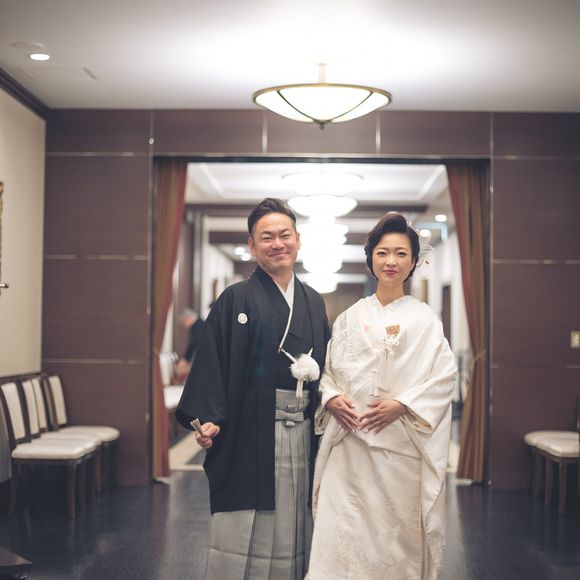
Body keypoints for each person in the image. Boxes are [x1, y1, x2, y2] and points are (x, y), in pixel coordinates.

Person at [176, 198, 330, 580]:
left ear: (298, 239)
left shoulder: (313, 302)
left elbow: (330, 369)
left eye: (285, 235)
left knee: (296, 520)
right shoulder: (235, 299)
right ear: (252, 245)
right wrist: (209, 418)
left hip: (302, 432)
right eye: (267, 237)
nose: (277, 243)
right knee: (245, 524)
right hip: (248, 431)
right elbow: (212, 363)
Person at [306, 212, 456, 580]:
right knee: (341, 535)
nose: (391, 261)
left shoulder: (425, 320)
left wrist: (403, 405)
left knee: (394, 544)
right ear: (370, 258)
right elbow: (329, 373)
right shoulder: (349, 317)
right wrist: (331, 398)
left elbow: (444, 377)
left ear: (414, 261)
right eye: (383, 252)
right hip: (349, 447)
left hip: (399, 450)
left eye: (401, 253)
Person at [175, 308, 205, 378]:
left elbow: (192, 345)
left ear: (188, 319)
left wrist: (185, 359)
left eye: (184, 322)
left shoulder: (198, 326)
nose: (184, 326)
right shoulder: (199, 324)